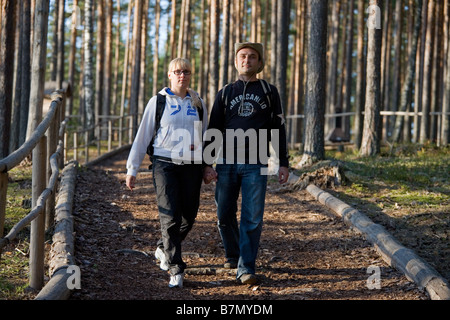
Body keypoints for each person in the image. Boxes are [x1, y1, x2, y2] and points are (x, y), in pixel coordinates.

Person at [203, 43, 289, 285]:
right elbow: (214, 129)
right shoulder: (225, 92)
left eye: (252, 57)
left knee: (252, 218)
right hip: (226, 161)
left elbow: (278, 129)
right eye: (242, 56)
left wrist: (283, 162)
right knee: (223, 214)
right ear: (236, 61)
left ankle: (246, 268)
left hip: (257, 163)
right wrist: (207, 164)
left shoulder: (269, 91)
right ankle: (233, 255)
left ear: (259, 63)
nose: (247, 60)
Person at [126, 58, 207, 288]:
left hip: (191, 165)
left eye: (186, 71)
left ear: (190, 75)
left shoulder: (198, 102)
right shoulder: (158, 101)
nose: (182, 75)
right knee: (170, 216)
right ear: (170, 75)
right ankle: (176, 268)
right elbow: (143, 135)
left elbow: (206, 136)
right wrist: (132, 169)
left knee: (188, 216)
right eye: (177, 71)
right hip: (164, 163)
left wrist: (208, 166)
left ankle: (163, 249)